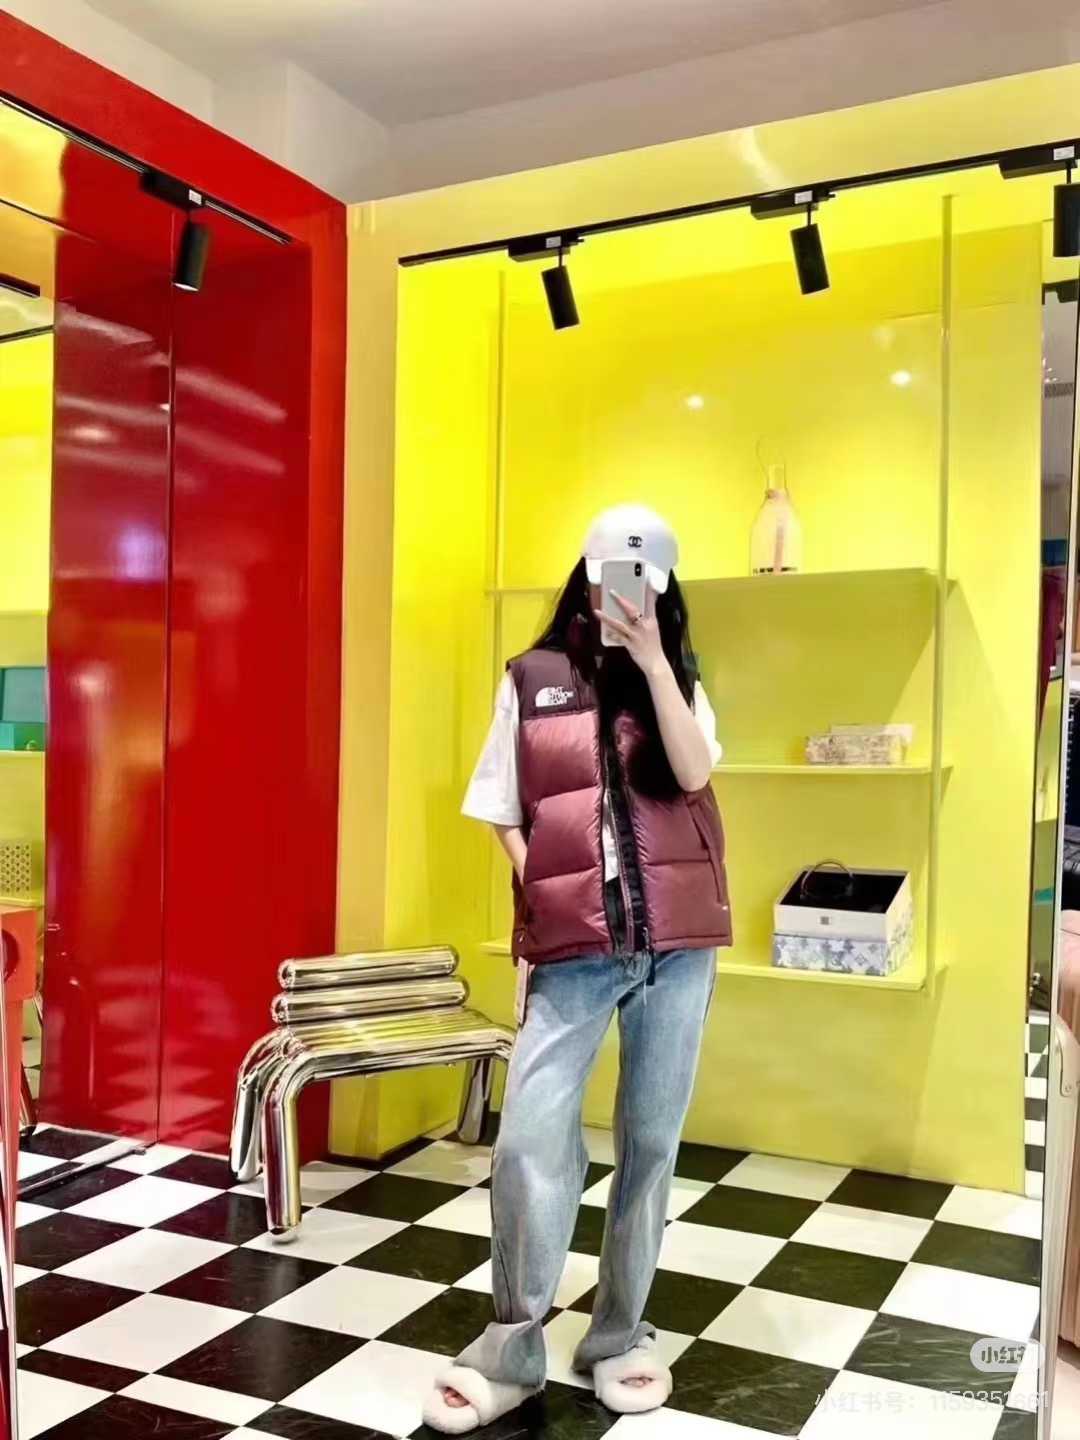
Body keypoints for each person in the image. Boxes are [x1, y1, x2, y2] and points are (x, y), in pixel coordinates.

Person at [424, 504, 732, 1434]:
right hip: (575, 951)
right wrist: (545, 888)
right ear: (584, 575)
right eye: (608, 576)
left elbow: (693, 773)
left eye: (642, 581)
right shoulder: (532, 678)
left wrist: (654, 665)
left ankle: (621, 1335)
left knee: (651, 1141)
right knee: (529, 1139)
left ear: (662, 589)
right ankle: (512, 1347)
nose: (621, 595)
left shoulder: (678, 675)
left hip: (677, 946)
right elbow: (500, 805)